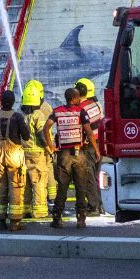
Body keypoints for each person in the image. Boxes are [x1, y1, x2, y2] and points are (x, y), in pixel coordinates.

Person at [0, 89, 30, 231]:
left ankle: (0, 221)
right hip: (14, 153)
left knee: (0, 185)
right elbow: (26, 136)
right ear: (13, 102)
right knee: (16, 185)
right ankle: (15, 222)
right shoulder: (17, 117)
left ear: (1, 102)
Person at [49, 86, 92, 228]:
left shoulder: (57, 112)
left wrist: (51, 146)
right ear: (74, 98)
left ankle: (57, 218)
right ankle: (81, 219)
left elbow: (46, 127)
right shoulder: (80, 112)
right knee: (81, 187)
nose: (80, 99)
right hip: (78, 153)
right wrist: (97, 150)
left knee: (62, 187)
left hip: (63, 155)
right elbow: (89, 132)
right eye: (78, 97)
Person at [19, 79, 56, 224]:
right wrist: (49, 148)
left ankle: (25, 209)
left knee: (26, 183)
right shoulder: (38, 115)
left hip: (24, 154)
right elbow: (41, 134)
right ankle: (40, 211)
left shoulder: (21, 116)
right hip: (38, 154)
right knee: (39, 182)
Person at [74, 76, 105, 215]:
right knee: (97, 177)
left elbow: (82, 129)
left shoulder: (80, 108)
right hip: (99, 144)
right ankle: (100, 204)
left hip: (88, 145)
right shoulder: (96, 105)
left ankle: (93, 207)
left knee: (88, 176)